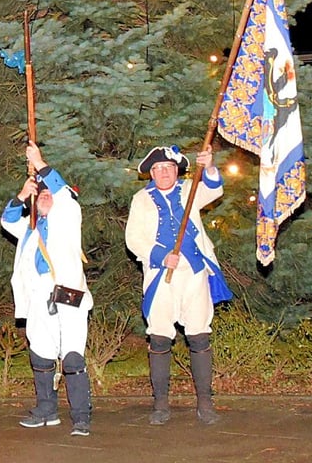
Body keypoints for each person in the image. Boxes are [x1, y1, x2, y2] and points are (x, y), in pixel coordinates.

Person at [125, 145, 232, 426]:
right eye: (158, 169)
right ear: (151, 173)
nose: (163, 173)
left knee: (199, 335)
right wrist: (161, 255)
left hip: (194, 273)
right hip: (161, 275)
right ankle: (160, 404)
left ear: (177, 171)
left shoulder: (189, 190)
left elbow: (214, 189)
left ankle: (205, 403)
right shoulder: (141, 199)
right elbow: (133, 238)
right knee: (160, 336)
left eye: (169, 168)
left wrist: (208, 167)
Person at [1, 143, 93, 437]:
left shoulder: (69, 214)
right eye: (40, 194)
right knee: (40, 353)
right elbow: (7, 220)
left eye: (48, 193)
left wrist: (39, 162)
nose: (45, 196)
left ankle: (80, 416)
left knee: (72, 356)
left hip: (69, 297)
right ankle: (47, 410)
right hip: (39, 298)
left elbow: (62, 194)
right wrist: (21, 194)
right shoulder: (29, 229)